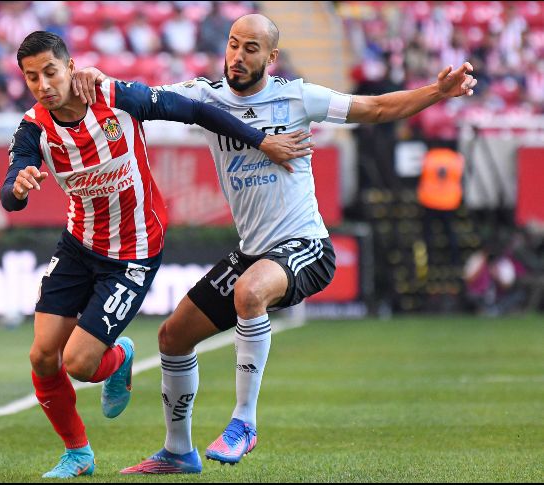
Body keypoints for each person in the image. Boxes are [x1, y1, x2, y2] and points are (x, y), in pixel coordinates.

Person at [72, 13, 477, 474]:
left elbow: (377, 108)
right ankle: (178, 450)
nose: (238, 57)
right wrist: (97, 79)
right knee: (173, 335)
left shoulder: (296, 96)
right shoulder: (206, 97)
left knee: (249, 292)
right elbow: (144, 98)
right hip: (252, 251)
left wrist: (437, 91)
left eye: (250, 49)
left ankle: (244, 422)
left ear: (271, 57)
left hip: (305, 244)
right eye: (232, 45)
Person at [1, 31, 311, 479]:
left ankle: (119, 355)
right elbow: (11, 187)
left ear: (70, 68)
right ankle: (78, 453)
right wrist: (17, 187)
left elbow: (196, 110)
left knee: (80, 364)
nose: (43, 85)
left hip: (133, 251)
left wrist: (260, 140)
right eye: (32, 78)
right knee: (41, 357)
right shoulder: (33, 129)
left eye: (50, 71)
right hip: (78, 245)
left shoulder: (115, 97)